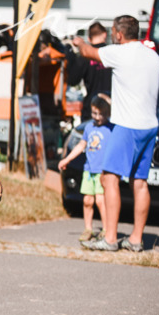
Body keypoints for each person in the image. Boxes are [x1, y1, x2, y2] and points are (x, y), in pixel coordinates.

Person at [73, 15, 159, 252]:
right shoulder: (153, 57)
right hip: (150, 125)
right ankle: (135, 239)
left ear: (119, 34)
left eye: (114, 32)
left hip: (127, 126)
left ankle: (110, 237)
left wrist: (79, 43)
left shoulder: (120, 52)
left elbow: (88, 53)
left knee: (108, 178)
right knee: (140, 183)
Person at [57, 95, 113, 243]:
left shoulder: (110, 129)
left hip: (102, 171)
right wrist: (67, 159)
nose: (98, 117)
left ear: (107, 113)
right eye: (95, 113)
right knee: (88, 200)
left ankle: (107, 229)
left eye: (101, 114)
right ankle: (88, 228)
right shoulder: (89, 127)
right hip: (89, 170)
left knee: (101, 201)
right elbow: (81, 145)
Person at [67, 21, 113, 121]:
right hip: (112, 108)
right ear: (105, 34)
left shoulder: (84, 57)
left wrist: (71, 57)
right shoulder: (112, 53)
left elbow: (72, 80)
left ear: (89, 38)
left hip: (92, 109)